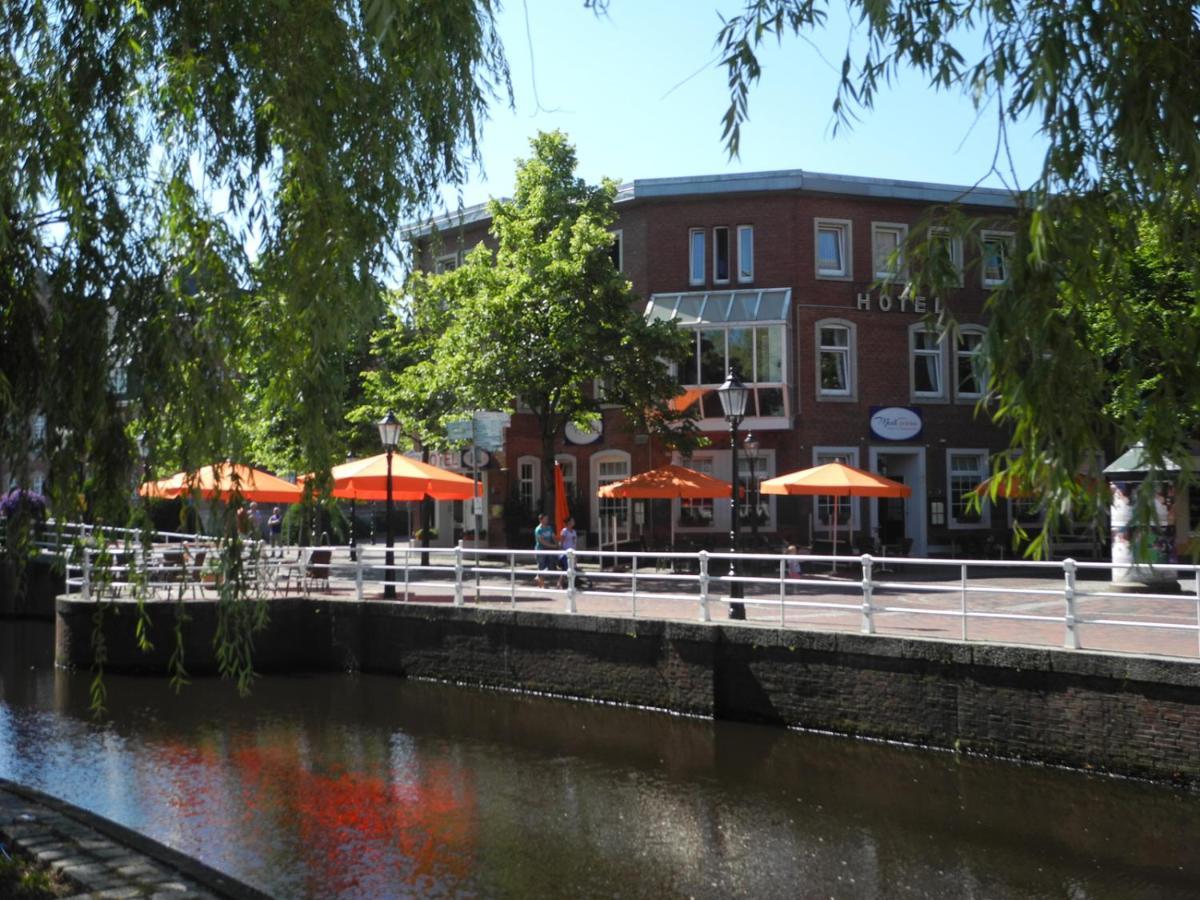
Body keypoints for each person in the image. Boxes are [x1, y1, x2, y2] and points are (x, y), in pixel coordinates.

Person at [533, 513, 557, 588]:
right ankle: (541, 584)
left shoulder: (549, 528)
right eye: (545, 519)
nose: (547, 520)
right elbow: (542, 541)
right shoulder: (538, 529)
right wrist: (553, 546)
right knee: (541, 565)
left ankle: (538, 578)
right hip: (540, 550)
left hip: (549, 550)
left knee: (550, 565)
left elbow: (553, 536)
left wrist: (557, 543)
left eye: (547, 519)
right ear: (541, 520)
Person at [557, 516, 577, 589]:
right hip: (565, 553)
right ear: (568, 523)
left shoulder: (574, 531)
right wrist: (561, 553)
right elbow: (561, 543)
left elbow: (574, 543)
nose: (573, 522)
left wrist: (575, 554)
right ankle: (564, 584)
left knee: (569, 569)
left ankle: (560, 583)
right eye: (572, 520)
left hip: (572, 553)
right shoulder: (564, 531)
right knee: (567, 569)